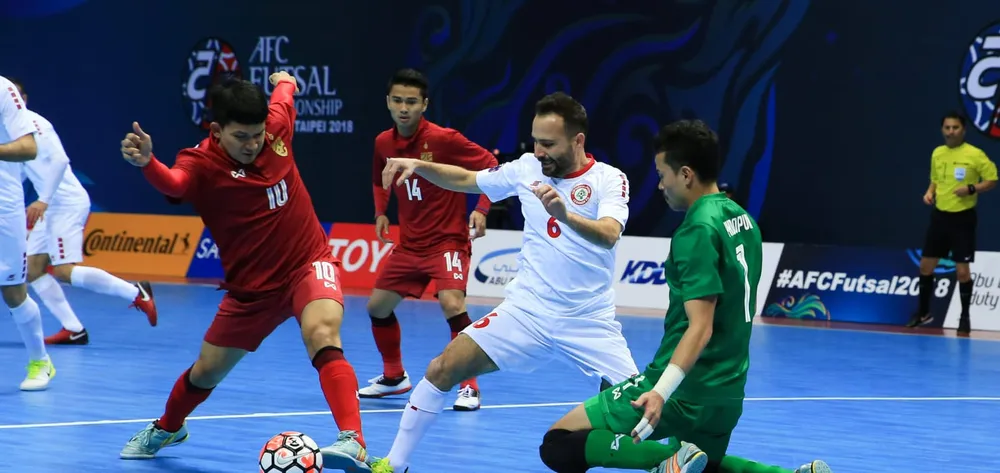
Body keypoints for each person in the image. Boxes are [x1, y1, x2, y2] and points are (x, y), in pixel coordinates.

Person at [537, 119, 832, 473]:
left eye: (663, 175)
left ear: (687, 175)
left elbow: (700, 327)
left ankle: (667, 463)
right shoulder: (745, 221)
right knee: (702, 466)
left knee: (558, 442)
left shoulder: (696, 229)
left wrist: (661, 391)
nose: (660, 185)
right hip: (728, 392)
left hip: (685, 389)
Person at [369, 91, 640, 472]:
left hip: (588, 321)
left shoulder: (608, 179)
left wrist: (564, 214)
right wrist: (419, 165)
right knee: (441, 368)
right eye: (535, 142)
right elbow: (468, 179)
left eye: (549, 144)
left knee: (639, 404)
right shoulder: (527, 167)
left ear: (577, 140)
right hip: (525, 313)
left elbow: (609, 234)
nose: (539, 152)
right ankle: (393, 464)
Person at [117, 72, 371, 472]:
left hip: (308, 262)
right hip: (251, 290)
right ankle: (168, 427)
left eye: (257, 135)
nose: (252, 145)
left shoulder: (277, 127)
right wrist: (149, 163)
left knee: (322, 332)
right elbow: (175, 184)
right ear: (217, 131)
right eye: (241, 137)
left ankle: (353, 440)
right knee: (205, 371)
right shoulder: (200, 163)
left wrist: (286, 80)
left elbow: (284, 94)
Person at [363, 68, 498, 411]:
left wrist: (482, 208)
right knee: (377, 307)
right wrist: (381, 212)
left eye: (411, 102)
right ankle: (394, 377)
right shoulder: (383, 142)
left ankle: (469, 386)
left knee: (452, 305)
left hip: (447, 242)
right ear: (387, 102)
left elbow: (491, 165)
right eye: (397, 100)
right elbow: (380, 179)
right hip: (410, 244)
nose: (403, 108)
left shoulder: (444, 139)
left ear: (424, 104)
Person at [11, 79, 157, 345]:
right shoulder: (10, 130)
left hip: (65, 203)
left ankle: (136, 292)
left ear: (24, 99)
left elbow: (60, 161)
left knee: (64, 271)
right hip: (50, 205)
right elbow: (20, 173)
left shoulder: (35, 123)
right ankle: (73, 329)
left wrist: (42, 200)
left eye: (16, 95)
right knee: (32, 269)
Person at [908, 111, 997, 334]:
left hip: (963, 219)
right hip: (940, 217)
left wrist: (971, 188)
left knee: (962, 272)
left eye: (955, 128)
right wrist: (929, 192)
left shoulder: (975, 154)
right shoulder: (937, 153)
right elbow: (935, 180)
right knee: (925, 266)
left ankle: (964, 317)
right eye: (947, 128)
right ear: (942, 130)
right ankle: (923, 312)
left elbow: (992, 180)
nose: (951, 132)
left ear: (963, 130)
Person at [0, 74, 53, 391]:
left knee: (12, 291)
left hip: (3, 208)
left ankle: (40, 361)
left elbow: (28, 147)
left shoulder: (4, 90)